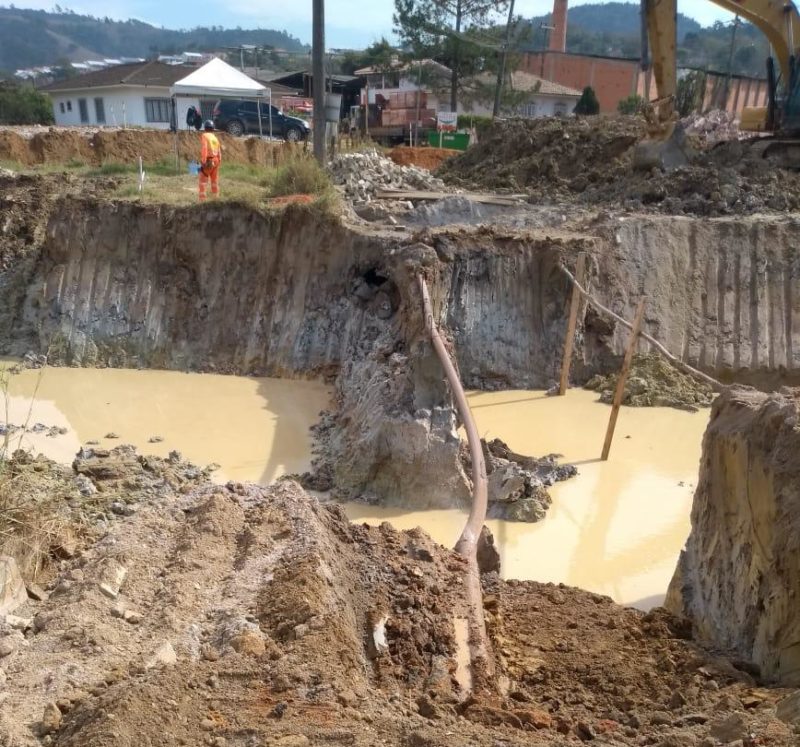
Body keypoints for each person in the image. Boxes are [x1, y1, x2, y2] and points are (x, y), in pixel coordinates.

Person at [199, 120, 221, 201]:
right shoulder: (215, 138)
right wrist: (219, 161)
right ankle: (216, 198)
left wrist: (204, 161)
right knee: (214, 181)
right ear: (213, 129)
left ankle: (202, 200)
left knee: (203, 180)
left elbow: (204, 148)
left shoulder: (204, 136)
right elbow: (219, 150)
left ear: (205, 128)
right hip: (216, 160)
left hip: (209, 160)